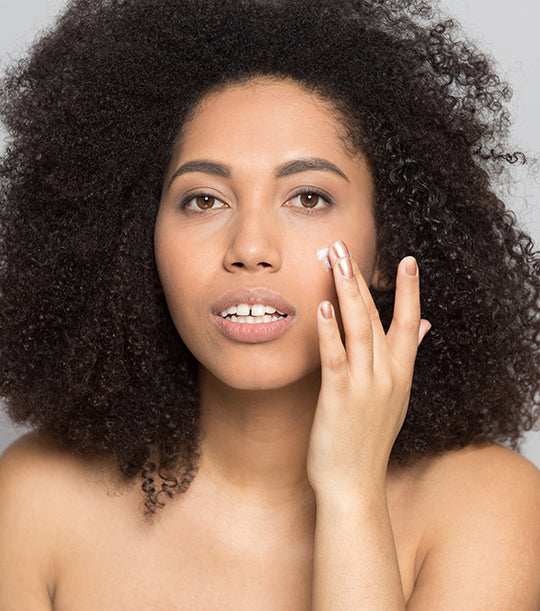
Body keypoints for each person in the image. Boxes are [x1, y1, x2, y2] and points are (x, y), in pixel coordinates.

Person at [0, 0, 539, 607]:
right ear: (133, 240)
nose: (250, 249)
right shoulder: (30, 501)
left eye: (308, 198)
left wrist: (351, 492)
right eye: (203, 200)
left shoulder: (489, 506)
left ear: (389, 242)